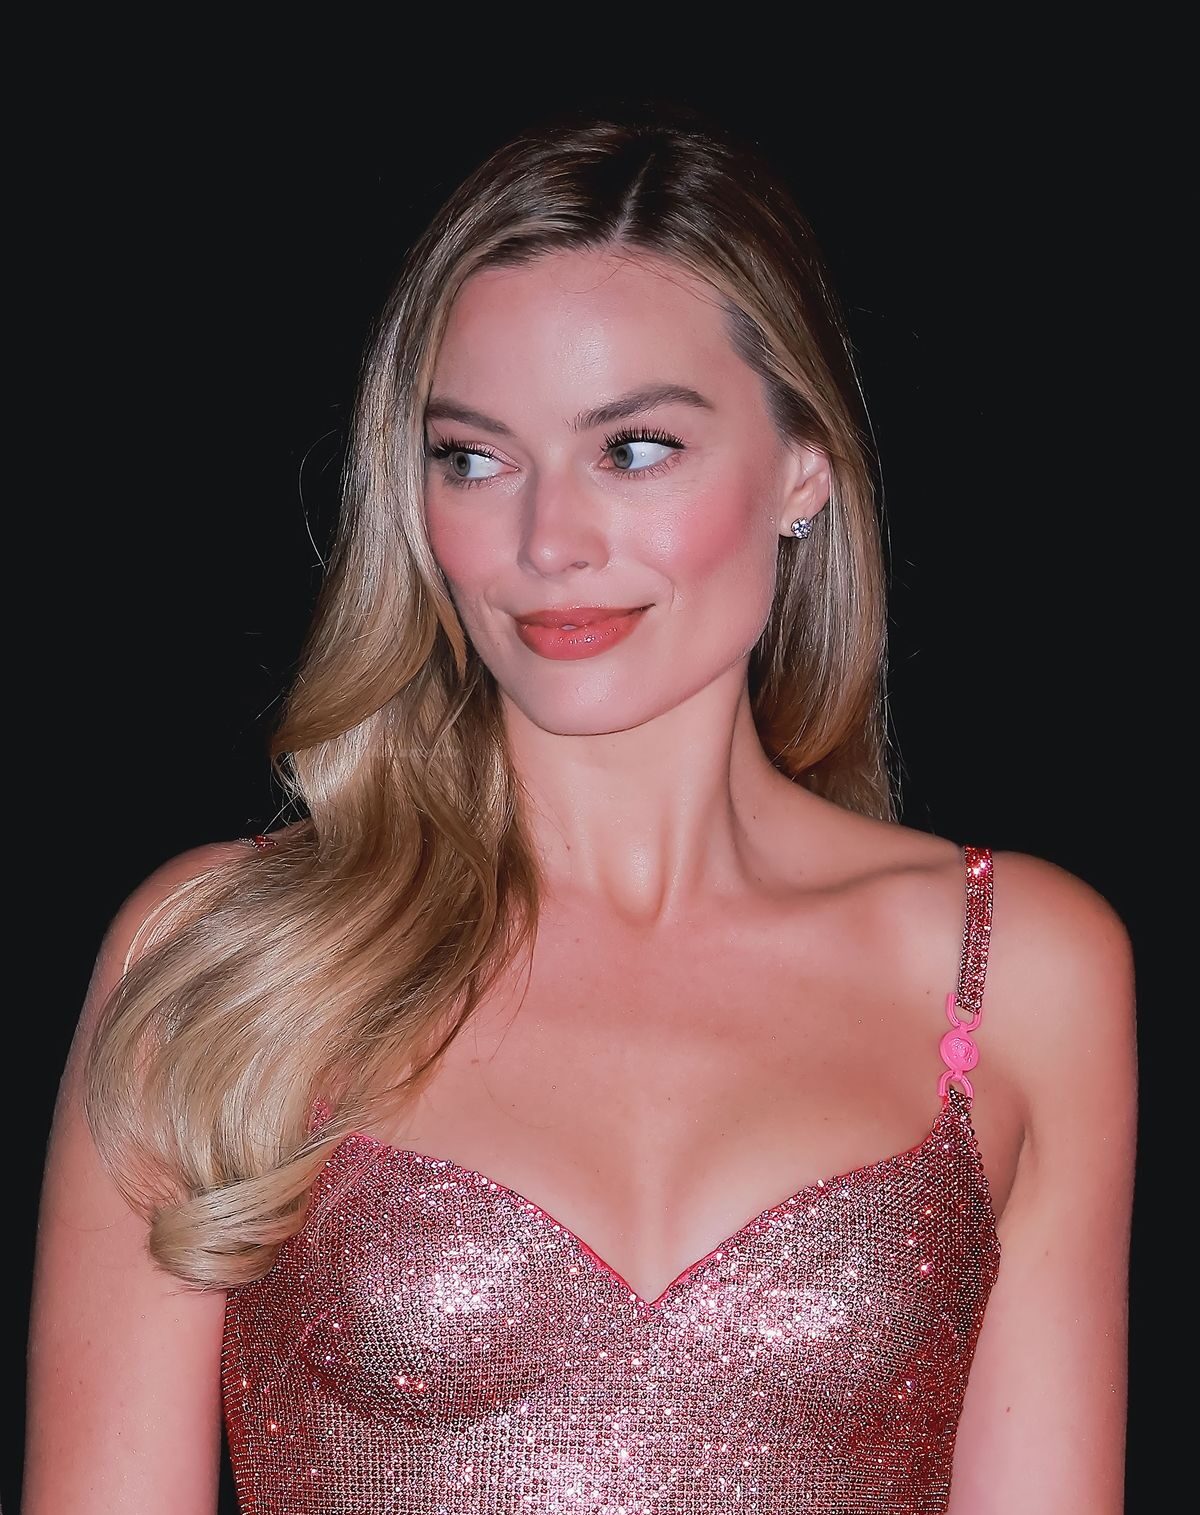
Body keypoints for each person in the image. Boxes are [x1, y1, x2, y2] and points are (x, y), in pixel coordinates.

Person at [25, 110, 1136, 1514]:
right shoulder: (227, 958)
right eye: (475, 458)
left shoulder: (1018, 966)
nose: (548, 543)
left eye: (636, 448)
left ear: (802, 467)